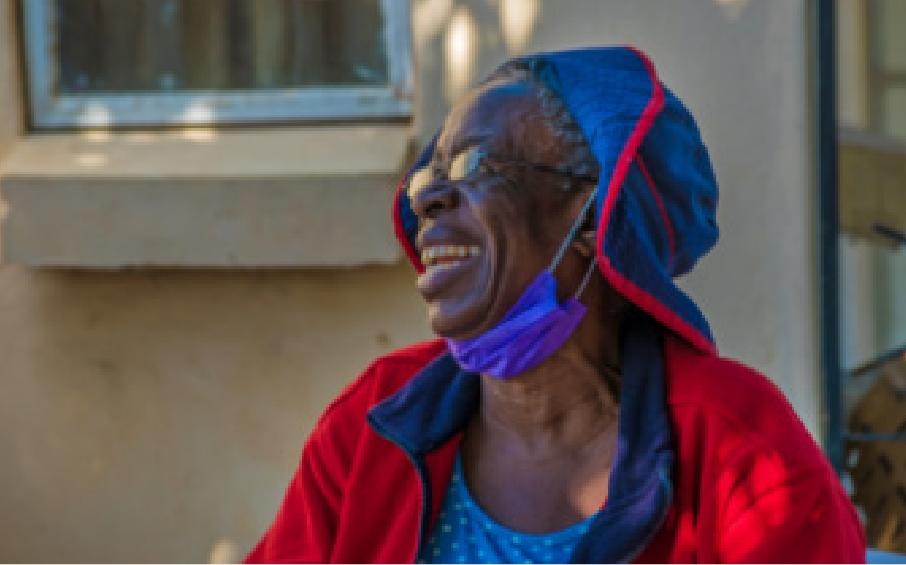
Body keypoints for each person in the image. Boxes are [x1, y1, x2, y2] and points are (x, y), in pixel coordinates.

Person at [245, 46, 865, 563]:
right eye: (429, 175)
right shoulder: (374, 422)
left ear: (596, 215)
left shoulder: (739, 445)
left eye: (474, 166)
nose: (429, 199)